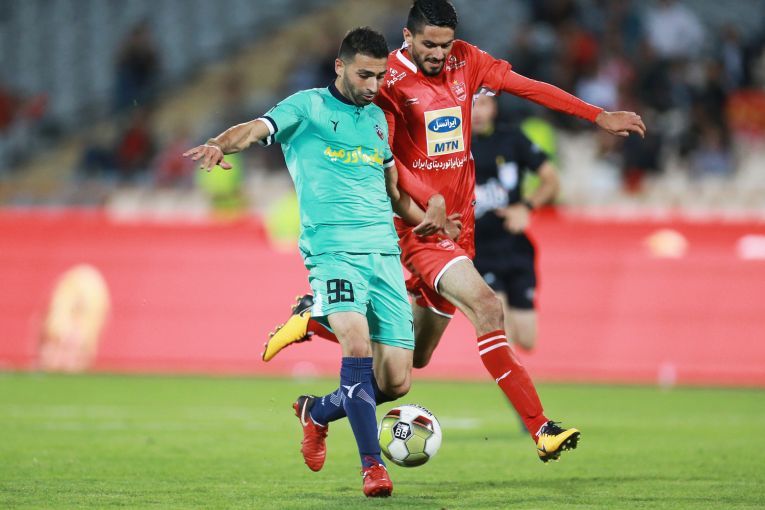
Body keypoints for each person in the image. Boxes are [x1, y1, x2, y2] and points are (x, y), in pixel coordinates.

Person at [263, 0, 646, 462]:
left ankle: (316, 383)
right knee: (487, 306)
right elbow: (387, 158)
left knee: (408, 364)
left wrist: (596, 115)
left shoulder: (467, 59)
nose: (439, 54)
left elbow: (528, 87)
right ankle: (541, 429)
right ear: (408, 37)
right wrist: (428, 198)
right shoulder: (389, 82)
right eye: (430, 44)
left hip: (461, 230)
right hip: (422, 228)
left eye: (445, 45)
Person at [183, 27, 455, 497]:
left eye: (380, 76)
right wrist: (219, 144)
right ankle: (372, 468)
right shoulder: (306, 107)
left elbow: (393, 194)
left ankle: (317, 411)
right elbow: (253, 129)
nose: (373, 85)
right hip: (332, 251)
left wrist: (432, 221)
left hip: (383, 254)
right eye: (365, 75)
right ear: (340, 66)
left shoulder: (377, 120)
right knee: (356, 343)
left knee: (396, 381)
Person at [471, 94, 559, 351]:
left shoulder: (512, 138)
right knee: (501, 329)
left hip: (516, 247)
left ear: (494, 107)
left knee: (527, 340)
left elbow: (551, 180)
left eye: (483, 103)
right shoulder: (454, 146)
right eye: (472, 104)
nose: (477, 112)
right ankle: (507, 374)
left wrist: (526, 207)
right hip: (480, 250)